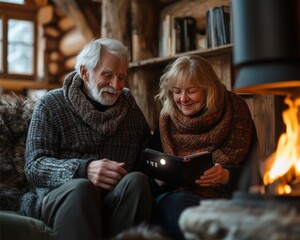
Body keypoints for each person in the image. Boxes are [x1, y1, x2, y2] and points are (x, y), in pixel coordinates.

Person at [20, 38, 153, 240]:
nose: (115, 85)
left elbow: (147, 158)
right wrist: (83, 169)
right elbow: (34, 166)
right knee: (81, 188)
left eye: (121, 77)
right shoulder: (51, 104)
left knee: (137, 181)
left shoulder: (131, 110)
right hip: (60, 198)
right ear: (84, 72)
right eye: (107, 75)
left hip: (112, 200)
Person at [148, 55, 257, 240]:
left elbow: (256, 175)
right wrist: (159, 178)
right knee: (177, 205)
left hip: (224, 197)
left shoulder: (236, 110)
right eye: (176, 91)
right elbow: (148, 170)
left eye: (191, 91)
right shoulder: (166, 118)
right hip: (175, 197)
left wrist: (226, 177)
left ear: (209, 89)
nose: (183, 99)